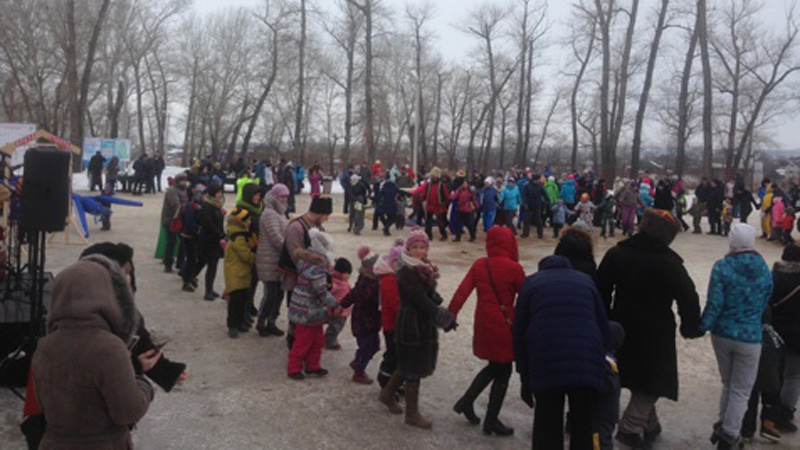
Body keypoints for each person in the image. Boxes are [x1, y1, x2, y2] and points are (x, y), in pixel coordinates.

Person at [597, 209, 703, 448]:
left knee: (637, 374)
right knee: (654, 378)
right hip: (656, 329)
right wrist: (691, 325)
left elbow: (600, 288)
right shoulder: (669, 262)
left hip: (622, 323)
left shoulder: (617, 253)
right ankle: (631, 427)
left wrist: (604, 319)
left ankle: (650, 423)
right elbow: (687, 296)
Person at [32, 253, 158, 449]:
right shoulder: (109, 347)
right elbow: (128, 411)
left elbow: (42, 402)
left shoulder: (45, 345)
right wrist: (143, 384)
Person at [513, 254, 609, 450]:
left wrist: (525, 377)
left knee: (547, 425)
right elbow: (603, 325)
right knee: (583, 424)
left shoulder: (531, 284)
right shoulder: (586, 281)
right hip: (585, 361)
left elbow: (519, 332)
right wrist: (600, 366)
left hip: (545, 359)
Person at [702, 224, 773, 450]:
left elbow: (714, 303)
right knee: (741, 389)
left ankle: (723, 423)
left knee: (728, 383)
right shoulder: (764, 269)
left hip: (722, 333)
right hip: (750, 336)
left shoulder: (722, 266)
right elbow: (765, 301)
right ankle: (730, 434)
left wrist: (702, 326)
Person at [448, 227, 525, 436]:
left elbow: (462, 291)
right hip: (505, 325)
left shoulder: (480, 264)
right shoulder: (514, 268)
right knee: (503, 370)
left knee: (495, 366)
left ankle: (467, 402)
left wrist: (452, 314)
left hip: (483, 322)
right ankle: (490, 420)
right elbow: (526, 298)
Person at [378, 228, 455, 429]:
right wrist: (442, 316)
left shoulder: (422, 267)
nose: (419, 251)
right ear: (408, 249)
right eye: (415, 247)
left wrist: (437, 301)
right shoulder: (407, 271)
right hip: (412, 323)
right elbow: (420, 299)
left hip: (420, 321)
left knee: (407, 363)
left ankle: (387, 394)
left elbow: (427, 295)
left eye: (422, 247)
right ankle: (411, 414)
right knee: (413, 365)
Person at [279, 196, 334, 348]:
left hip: (315, 279)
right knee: (297, 313)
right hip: (298, 279)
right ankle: (294, 341)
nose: (327, 219)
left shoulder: (317, 226)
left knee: (312, 312)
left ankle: (308, 342)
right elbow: (296, 257)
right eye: (326, 216)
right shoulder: (296, 227)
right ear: (320, 213)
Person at [286, 229, 339, 380]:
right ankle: (294, 368)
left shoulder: (307, 263)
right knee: (303, 342)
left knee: (316, 341)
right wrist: (335, 303)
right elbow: (321, 292)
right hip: (307, 312)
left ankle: (313, 365)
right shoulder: (316, 270)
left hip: (310, 311)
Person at [341, 247, 381, 384]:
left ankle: (357, 361)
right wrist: (343, 304)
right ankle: (359, 371)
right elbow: (356, 294)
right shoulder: (369, 283)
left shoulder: (374, 280)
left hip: (373, 321)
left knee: (375, 346)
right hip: (363, 322)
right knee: (366, 348)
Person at [256, 184, 291, 337]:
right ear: (275, 196)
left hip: (278, 260)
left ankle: (272, 322)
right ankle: (261, 321)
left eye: (286, 197)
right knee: (270, 294)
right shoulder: (269, 213)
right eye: (282, 196)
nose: (284, 199)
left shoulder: (280, 212)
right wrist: (290, 249)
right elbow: (275, 237)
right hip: (269, 260)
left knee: (279, 294)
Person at [375, 240, 405, 389]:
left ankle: (395, 383)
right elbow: (397, 305)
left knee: (400, 355)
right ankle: (385, 381)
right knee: (393, 355)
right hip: (392, 325)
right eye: (396, 262)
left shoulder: (398, 277)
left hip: (400, 324)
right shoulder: (389, 280)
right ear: (391, 262)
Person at [224, 207, 257, 339]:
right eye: (248, 220)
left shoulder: (242, 234)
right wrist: (257, 258)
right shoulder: (239, 237)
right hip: (236, 273)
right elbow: (245, 255)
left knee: (242, 299)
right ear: (241, 221)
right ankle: (232, 325)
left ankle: (239, 323)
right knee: (236, 301)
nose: (250, 222)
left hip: (240, 272)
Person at [593, 321, 625, 450]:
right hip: (607, 411)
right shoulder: (609, 360)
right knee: (602, 439)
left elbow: (610, 384)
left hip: (602, 411)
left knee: (600, 440)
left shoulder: (604, 361)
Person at [196, 185, 225, 300]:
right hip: (208, 240)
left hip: (215, 240)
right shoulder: (207, 206)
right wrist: (219, 233)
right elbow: (207, 223)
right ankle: (207, 290)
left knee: (211, 264)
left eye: (221, 192)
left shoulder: (216, 205)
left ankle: (209, 289)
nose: (220, 195)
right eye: (218, 193)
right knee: (208, 264)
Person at [160, 173, 189, 273]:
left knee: (183, 242)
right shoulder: (172, 191)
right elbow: (176, 205)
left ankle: (180, 263)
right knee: (171, 242)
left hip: (180, 219)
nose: (184, 183)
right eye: (182, 181)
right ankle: (168, 263)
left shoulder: (184, 190)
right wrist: (187, 210)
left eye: (185, 181)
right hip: (171, 220)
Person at [324, 257, 353, 349]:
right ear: (342, 273)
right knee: (335, 327)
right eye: (347, 274)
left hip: (339, 309)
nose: (349, 276)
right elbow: (328, 292)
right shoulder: (336, 283)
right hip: (339, 311)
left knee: (335, 326)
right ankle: (330, 342)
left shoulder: (338, 280)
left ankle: (328, 339)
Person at [178, 186, 203, 293]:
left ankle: (189, 277)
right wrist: (198, 230)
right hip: (188, 236)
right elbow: (189, 222)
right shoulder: (190, 206)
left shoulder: (200, 206)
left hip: (195, 236)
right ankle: (186, 280)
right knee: (191, 259)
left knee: (194, 258)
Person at [415, 167, 450, 241]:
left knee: (440, 222)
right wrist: (420, 199)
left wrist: (446, 202)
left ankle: (444, 235)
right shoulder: (428, 185)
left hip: (439, 206)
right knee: (428, 221)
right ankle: (428, 235)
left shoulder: (441, 185)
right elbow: (424, 193)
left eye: (433, 176)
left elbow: (446, 195)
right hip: (430, 205)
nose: (432, 177)